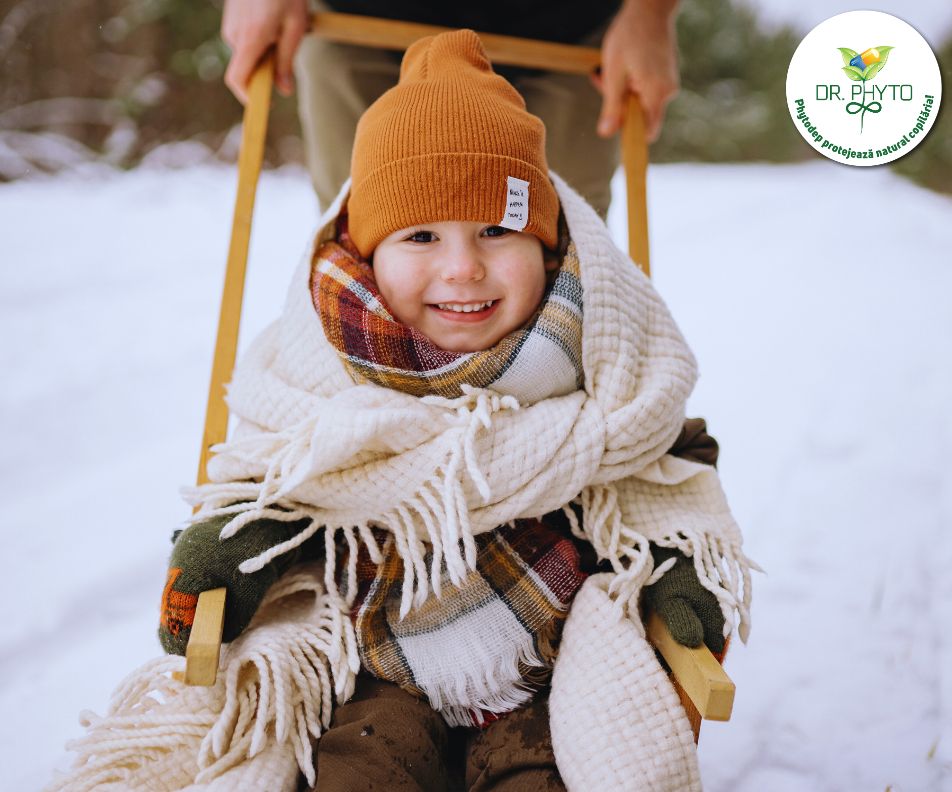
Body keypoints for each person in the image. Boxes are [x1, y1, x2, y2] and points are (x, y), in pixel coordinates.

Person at [157, 30, 752, 792]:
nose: (463, 268)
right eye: (422, 236)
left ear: (547, 247)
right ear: (370, 256)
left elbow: (665, 464)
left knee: (545, 777)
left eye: (498, 230)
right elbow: (281, 474)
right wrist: (229, 546)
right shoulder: (327, 373)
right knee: (357, 775)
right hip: (374, 664)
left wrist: (676, 563)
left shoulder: (602, 366)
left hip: (547, 661)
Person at [219, 0, 681, 217]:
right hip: (358, 23)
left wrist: (649, 12)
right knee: (362, 234)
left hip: (570, 34)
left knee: (568, 250)